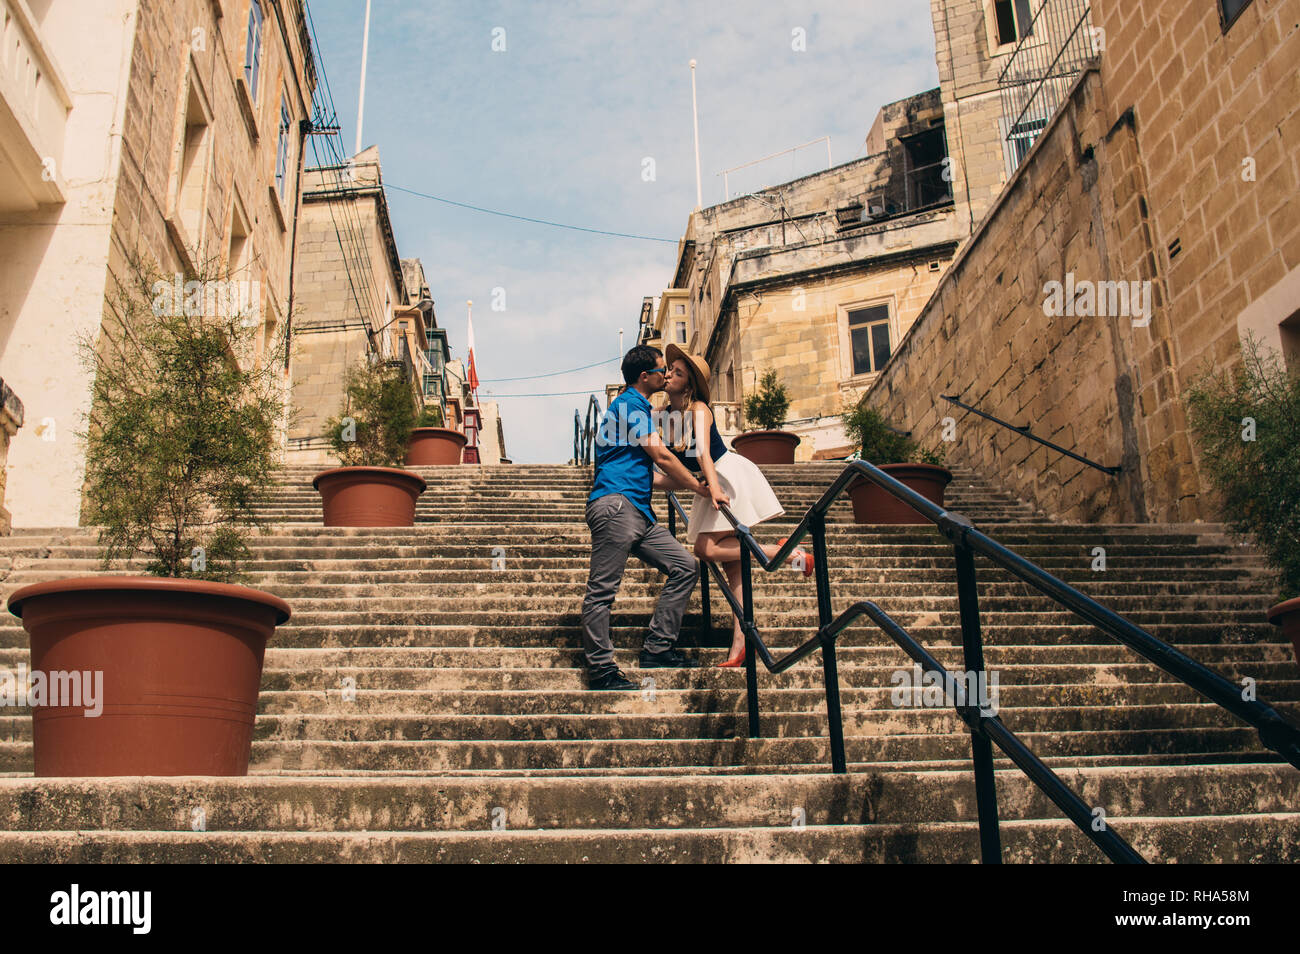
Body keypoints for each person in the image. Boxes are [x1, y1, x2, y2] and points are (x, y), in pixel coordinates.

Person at [657, 344, 813, 668]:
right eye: (669, 369)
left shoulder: (698, 408)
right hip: (713, 480)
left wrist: (712, 488)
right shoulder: (672, 420)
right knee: (734, 570)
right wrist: (642, 483)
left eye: (677, 372)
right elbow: (681, 475)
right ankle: (741, 643)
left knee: (705, 548)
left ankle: (782, 552)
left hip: (727, 477)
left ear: (688, 384)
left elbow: (703, 455)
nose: (669, 373)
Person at [581, 345, 719, 691]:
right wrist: (700, 488)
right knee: (602, 591)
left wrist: (690, 481)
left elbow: (652, 471)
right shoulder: (629, 405)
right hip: (616, 507)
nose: (666, 375)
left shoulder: (637, 407)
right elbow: (659, 454)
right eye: (661, 371)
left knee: (685, 567)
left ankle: (657, 648)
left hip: (638, 511)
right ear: (645, 377)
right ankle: (601, 669)